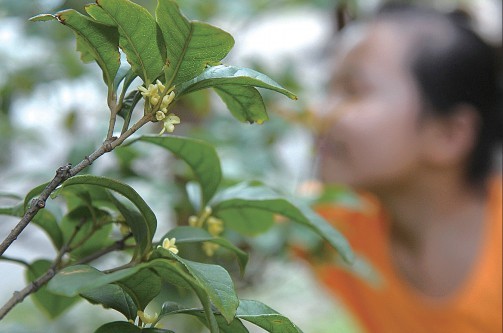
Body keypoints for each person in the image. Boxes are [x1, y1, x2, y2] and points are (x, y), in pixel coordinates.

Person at [304, 3, 502, 333]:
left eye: (353, 91)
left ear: (448, 134)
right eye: (328, 89)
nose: (318, 111)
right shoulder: (326, 223)